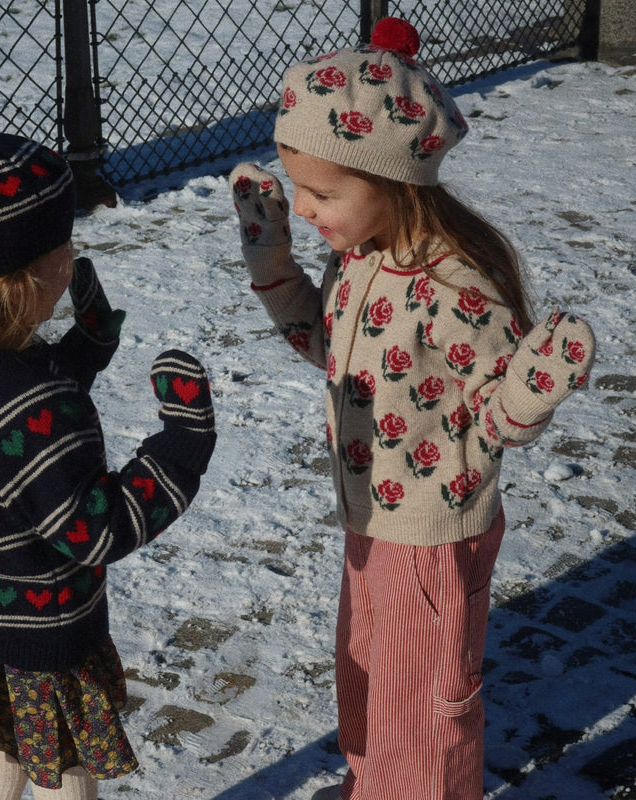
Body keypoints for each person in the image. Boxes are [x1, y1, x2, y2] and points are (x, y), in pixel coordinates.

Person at [228, 17, 594, 800]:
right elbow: (321, 344)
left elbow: (496, 420)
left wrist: (530, 389)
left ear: (393, 180)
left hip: (431, 532)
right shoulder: (362, 260)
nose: (307, 207)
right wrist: (270, 252)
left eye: (324, 193)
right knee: (369, 677)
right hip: (372, 518)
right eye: (299, 189)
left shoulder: (454, 288)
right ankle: (376, 784)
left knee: (425, 704)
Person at [0, 104, 217, 800]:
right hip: (37, 635)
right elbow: (94, 529)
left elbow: (1, 454)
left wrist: (85, 350)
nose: (74, 253)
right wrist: (183, 443)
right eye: (61, 243)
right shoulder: (35, 406)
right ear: (25, 276)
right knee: (64, 776)